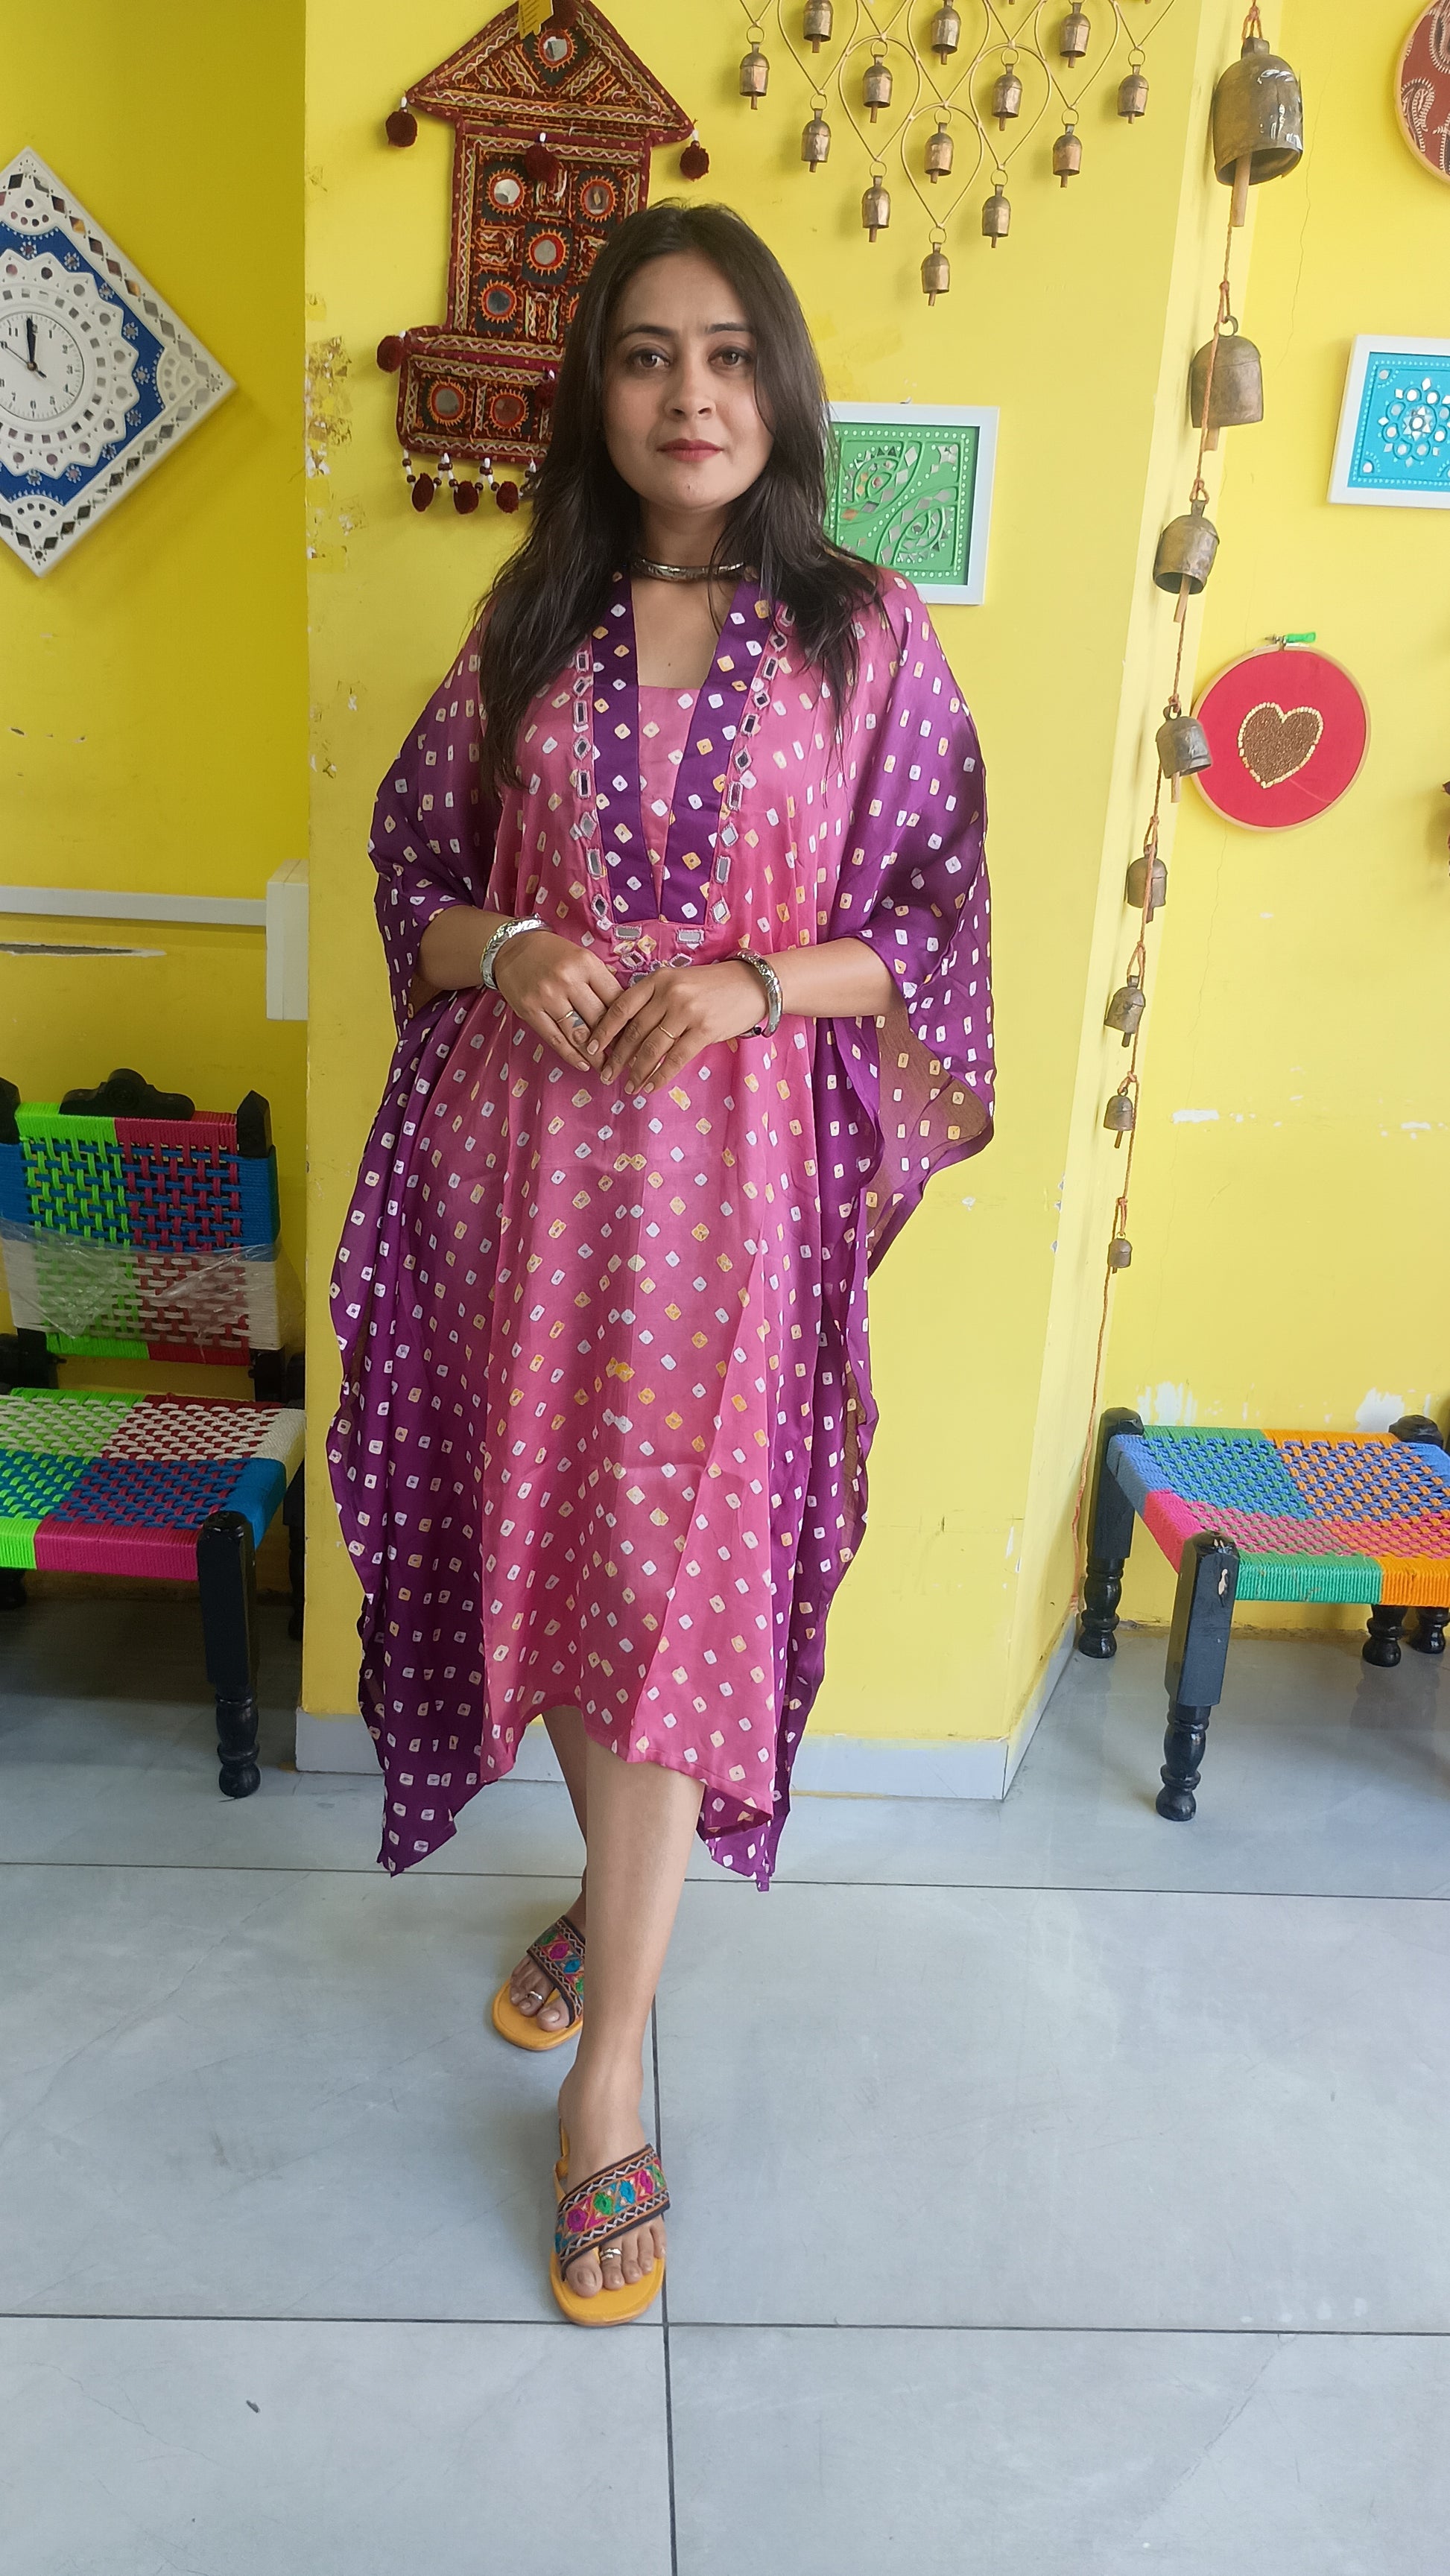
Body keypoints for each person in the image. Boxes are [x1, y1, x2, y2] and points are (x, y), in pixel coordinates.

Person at [329, 202, 994, 2325]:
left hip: (731, 1202)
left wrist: (750, 984)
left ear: (776, 384)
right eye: (641, 354)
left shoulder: (865, 634)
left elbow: (935, 929)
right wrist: (514, 942)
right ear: (594, 395)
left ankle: (608, 2060)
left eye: (723, 352)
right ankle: (614, 1899)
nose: (686, 393)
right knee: (552, 1558)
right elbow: (414, 887)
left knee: (679, 1583)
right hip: (524, 1193)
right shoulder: (528, 623)